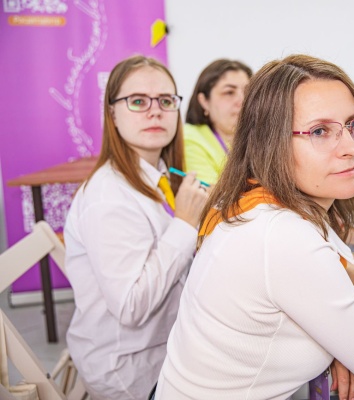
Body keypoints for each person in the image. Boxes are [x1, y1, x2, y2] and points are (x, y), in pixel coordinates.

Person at [155, 54, 354, 400]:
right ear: (271, 143)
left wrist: (340, 341)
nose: (352, 147)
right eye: (320, 131)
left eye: (353, 124)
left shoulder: (254, 200)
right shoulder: (281, 236)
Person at [64, 55, 208, 400]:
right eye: (138, 101)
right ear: (112, 113)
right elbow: (131, 307)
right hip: (132, 371)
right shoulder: (108, 198)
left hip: (163, 343)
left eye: (166, 101)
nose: (155, 111)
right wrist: (185, 223)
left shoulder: (157, 175)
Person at [183, 59, 252, 185]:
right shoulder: (190, 138)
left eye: (247, 92)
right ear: (204, 101)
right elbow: (209, 195)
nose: (242, 101)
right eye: (229, 92)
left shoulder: (258, 139)